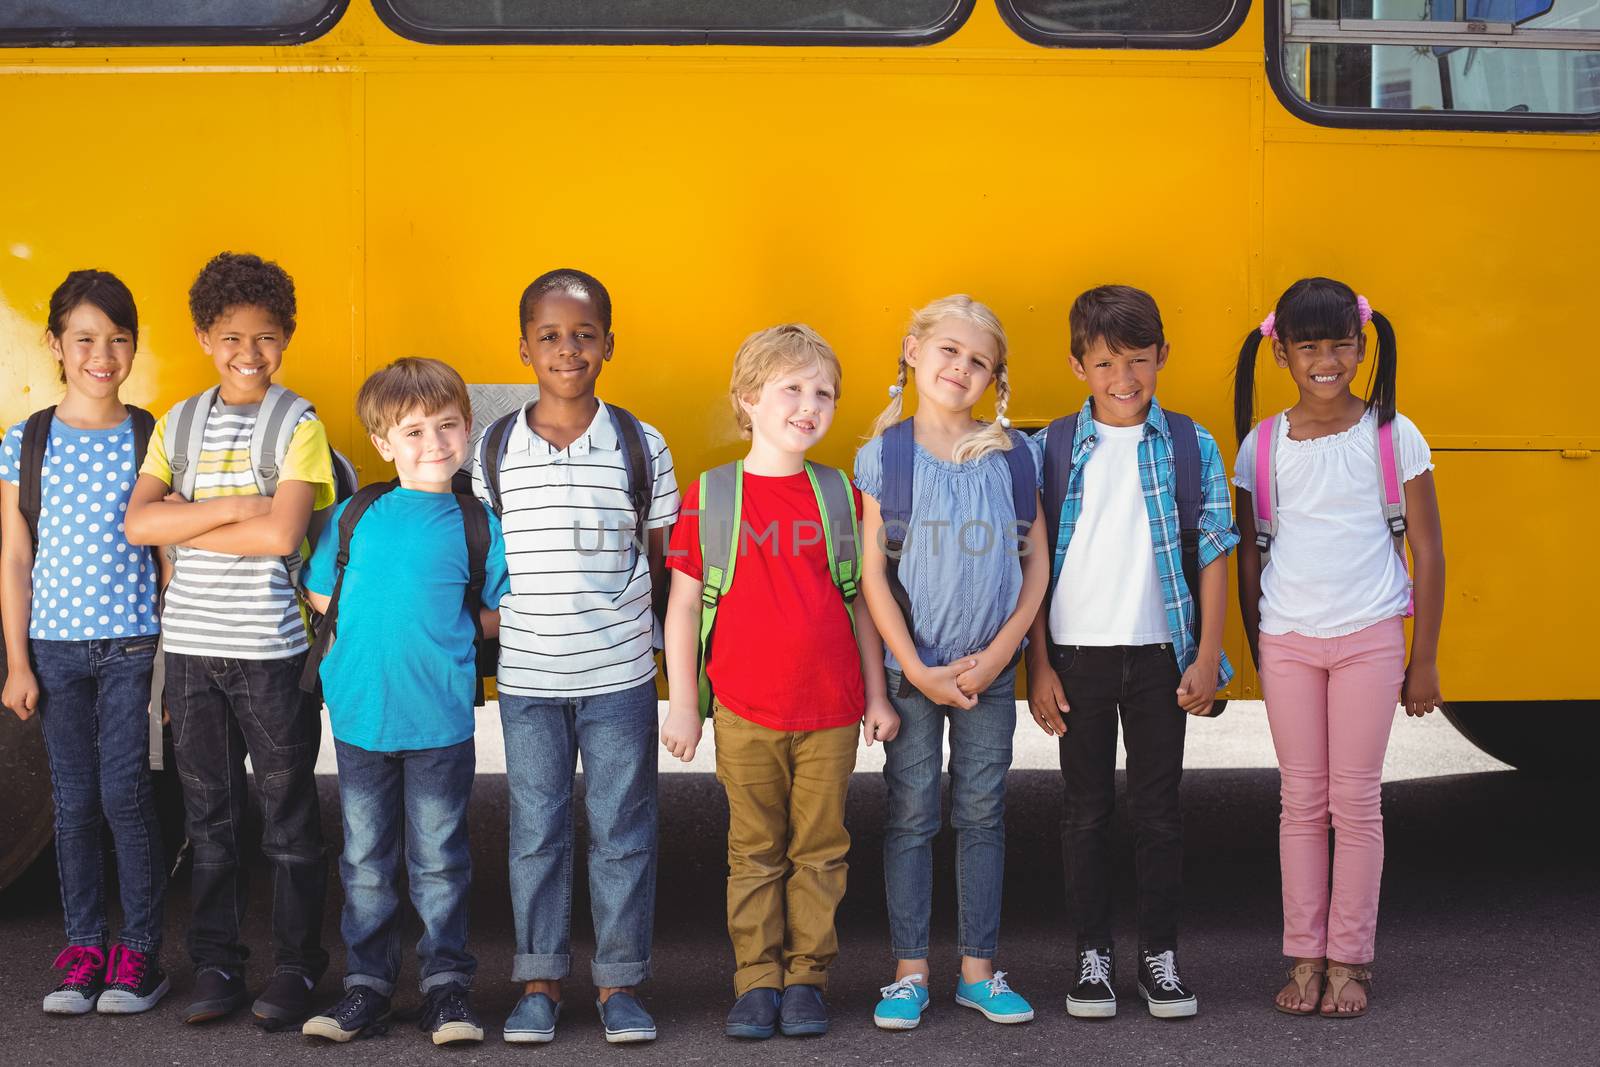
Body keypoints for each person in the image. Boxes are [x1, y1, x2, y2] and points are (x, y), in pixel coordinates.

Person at [660, 323, 899, 1041]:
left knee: (822, 849)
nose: (809, 403)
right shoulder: (710, 497)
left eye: (823, 392)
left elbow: (860, 601)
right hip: (743, 709)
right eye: (791, 388)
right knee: (754, 851)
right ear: (748, 400)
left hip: (830, 709)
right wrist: (682, 703)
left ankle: (807, 978)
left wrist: (879, 694)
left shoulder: (842, 497)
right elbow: (681, 608)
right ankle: (757, 979)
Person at [124, 252, 335, 1026]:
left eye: (267, 337)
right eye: (231, 336)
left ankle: (296, 967)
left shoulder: (298, 423)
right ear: (203, 336)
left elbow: (284, 536)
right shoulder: (178, 421)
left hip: (272, 653)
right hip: (190, 653)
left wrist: (202, 513)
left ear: (288, 337)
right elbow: (138, 522)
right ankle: (217, 963)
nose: (250, 353)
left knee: (288, 817)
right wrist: (240, 505)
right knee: (208, 817)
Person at [473, 269, 678, 1045]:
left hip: (619, 677)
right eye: (551, 336)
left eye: (584, 335)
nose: (568, 349)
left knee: (624, 828)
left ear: (609, 346)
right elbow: (478, 554)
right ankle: (539, 981)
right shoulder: (494, 447)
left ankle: (620, 982)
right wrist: (498, 623)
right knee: (536, 829)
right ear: (523, 346)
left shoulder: (639, 442)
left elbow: (658, 561)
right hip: (527, 679)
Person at [1232, 277, 1444, 1019]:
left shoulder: (1392, 434)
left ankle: (1350, 958)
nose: (1327, 360)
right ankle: (1304, 954)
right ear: (1281, 351)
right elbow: (1252, 554)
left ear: (1362, 345)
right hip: (1289, 639)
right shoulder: (1262, 444)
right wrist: (1263, 642)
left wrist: (1424, 657)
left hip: (1372, 636)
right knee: (1300, 801)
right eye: (1309, 347)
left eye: (1341, 344)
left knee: (1355, 802)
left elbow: (1428, 550)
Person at [1025, 284, 1237, 1020]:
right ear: (1079, 363)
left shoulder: (1190, 443)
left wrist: (1207, 654)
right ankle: (1092, 955)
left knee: (1158, 810)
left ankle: (1159, 954)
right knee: (1082, 811)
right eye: (1107, 362)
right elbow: (1030, 564)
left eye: (1139, 361)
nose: (1125, 379)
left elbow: (1214, 550)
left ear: (1162, 357)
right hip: (1076, 657)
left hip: (1158, 655)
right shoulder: (1048, 446)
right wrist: (1039, 664)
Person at [299, 358, 509, 1045]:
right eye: (413, 431)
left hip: (439, 720)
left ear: (467, 428)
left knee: (440, 857)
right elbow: (322, 592)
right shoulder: (356, 514)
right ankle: (367, 985)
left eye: (448, 426)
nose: (434, 442)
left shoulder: (476, 520)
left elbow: (499, 607)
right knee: (364, 857)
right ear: (383, 442)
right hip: (362, 715)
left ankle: (446, 987)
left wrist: (443, 626)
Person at [853, 296, 1047, 1030]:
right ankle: (908, 971)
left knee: (981, 813)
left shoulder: (1012, 454)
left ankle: (978, 969)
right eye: (948, 351)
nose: (960, 368)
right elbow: (873, 578)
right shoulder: (887, 457)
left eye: (979, 361)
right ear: (912, 351)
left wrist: (1000, 654)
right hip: (913, 675)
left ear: (995, 377)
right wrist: (918, 670)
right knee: (910, 815)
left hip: (988, 673)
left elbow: (1036, 566)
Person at [0, 270, 168, 1015]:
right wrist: (16, 662)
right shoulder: (26, 439)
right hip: (55, 650)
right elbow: (13, 555)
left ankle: (139, 951)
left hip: (132, 645)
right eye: (86, 339)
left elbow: (169, 554)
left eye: (119, 339)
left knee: (126, 795)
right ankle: (82, 947)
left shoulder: (149, 432)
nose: (103, 355)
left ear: (134, 347)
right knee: (72, 802)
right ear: (56, 345)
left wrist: (173, 664)